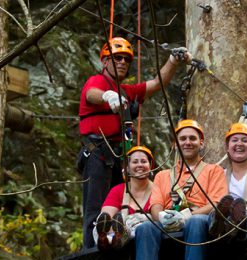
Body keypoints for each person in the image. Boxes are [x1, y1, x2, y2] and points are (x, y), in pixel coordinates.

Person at [77, 37, 191, 248]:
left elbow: (157, 83)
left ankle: (115, 240)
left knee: (117, 202)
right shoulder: (98, 82)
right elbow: (91, 94)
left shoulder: (127, 91)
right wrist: (107, 97)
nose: (122, 62)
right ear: (104, 61)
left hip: (119, 157)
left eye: (126, 60)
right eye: (117, 58)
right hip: (97, 153)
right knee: (95, 209)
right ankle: (91, 248)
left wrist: (173, 62)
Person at [134, 119, 227, 260]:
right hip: (168, 221)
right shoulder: (162, 175)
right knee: (145, 227)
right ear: (175, 144)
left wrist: (187, 216)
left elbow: (216, 203)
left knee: (195, 221)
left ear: (201, 143)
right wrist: (161, 216)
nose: (187, 142)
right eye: (182, 139)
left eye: (192, 138)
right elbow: (156, 205)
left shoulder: (213, 170)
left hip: (198, 222)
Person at [94, 145, 155, 250]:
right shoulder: (118, 190)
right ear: (127, 168)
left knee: (141, 223)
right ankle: (107, 240)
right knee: (98, 227)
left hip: (146, 234)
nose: (140, 165)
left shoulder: (158, 189)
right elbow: (106, 216)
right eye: (135, 162)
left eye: (144, 161)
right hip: (117, 230)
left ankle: (118, 238)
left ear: (151, 166)